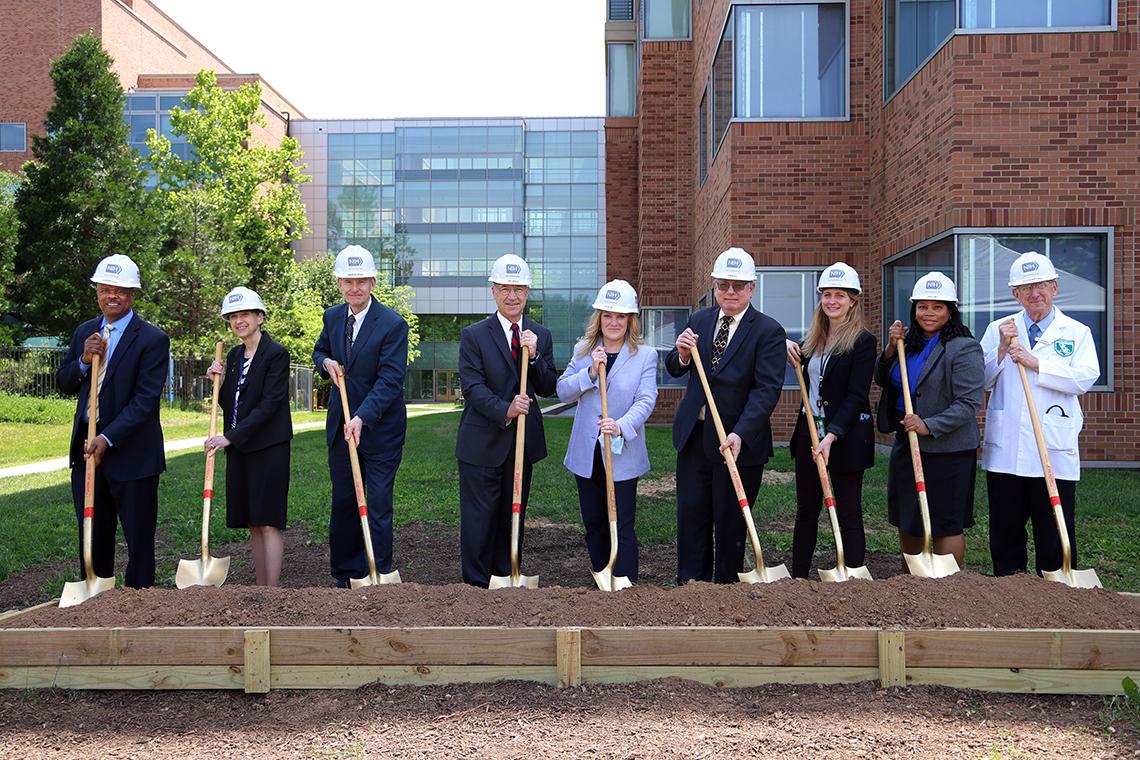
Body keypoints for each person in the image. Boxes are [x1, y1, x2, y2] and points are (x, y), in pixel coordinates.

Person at [665, 247, 787, 584]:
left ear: (751, 288)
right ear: (715, 287)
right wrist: (683, 355)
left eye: (738, 285)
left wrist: (741, 433)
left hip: (736, 444)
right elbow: (676, 368)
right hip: (695, 437)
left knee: (730, 520)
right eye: (723, 285)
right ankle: (692, 586)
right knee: (692, 517)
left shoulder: (768, 331)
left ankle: (725, 591)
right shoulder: (699, 321)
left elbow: (766, 391)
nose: (729, 292)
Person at [979, 251, 1099, 576]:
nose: (1035, 294)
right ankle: (1010, 597)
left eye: (1042, 285)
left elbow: (1086, 377)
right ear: (1015, 294)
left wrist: (1038, 363)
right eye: (1026, 287)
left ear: (1055, 287)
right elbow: (981, 379)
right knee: (1005, 534)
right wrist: (1001, 350)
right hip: (1007, 453)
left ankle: (1059, 599)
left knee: (1055, 535)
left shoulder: (1076, 332)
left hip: (1054, 451)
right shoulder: (998, 330)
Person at [55, 254, 170, 589]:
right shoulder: (85, 332)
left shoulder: (151, 339)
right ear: (97, 292)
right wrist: (83, 361)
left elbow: (145, 403)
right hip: (87, 452)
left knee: (139, 541)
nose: (112, 296)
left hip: (133, 455)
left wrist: (107, 438)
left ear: (133, 295)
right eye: (105, 289)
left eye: (120, 290)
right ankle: (95, 603)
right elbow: (64, 382)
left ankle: (139, 608)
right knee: (93, 534)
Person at [455, 254, 558, 587]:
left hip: (521, 445)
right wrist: (506, 408)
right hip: (481, 443)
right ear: (493, 291)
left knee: (512, 515)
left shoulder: (539, 333)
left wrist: (537, 355)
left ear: (528, 292)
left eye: (519, 290)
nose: (512, 297)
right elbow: (472, 388)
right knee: (479, 519)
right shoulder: (474, 335)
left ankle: (505, 578)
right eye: (505, 289)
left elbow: (548, 386)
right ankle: (476, 585)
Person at [313, 245, 409, 587]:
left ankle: (378, 569)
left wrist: (363, 417)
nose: (355, 288)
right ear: (340, 283)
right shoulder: (332, 317)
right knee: (344, 499)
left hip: (381, 429)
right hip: (342, 426)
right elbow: (321, 350)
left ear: (372, 283)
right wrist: (325, 363)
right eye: (348, 281)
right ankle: (345, 573)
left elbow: (390, 380)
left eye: (362, 281)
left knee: (378, 501)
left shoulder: (392, 325)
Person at [875, 272, 984, 569]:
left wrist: (929, 425)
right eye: (923, 306)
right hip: (907, 443)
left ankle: (946, 588)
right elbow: (883, 379)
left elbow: (968, 403)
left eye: (937, 307)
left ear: (951, 310)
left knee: (946, 521)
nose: (929, 313)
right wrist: (889, 348)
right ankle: (914, 582)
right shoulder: (907, 343)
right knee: (909, 517)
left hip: (947, 449)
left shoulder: (964, 347)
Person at [557, 280, 657, 583]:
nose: (614, 322)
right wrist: (589, 373)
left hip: (622, 452)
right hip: (587, 454)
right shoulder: (583, 350)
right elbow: (562, 391)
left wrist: (621, 425)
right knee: (594, 523)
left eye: (621, 317)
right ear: (599, 317)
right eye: (608, 315)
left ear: (630, 320)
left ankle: (626, 585)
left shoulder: (644, 355)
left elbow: (646, 400)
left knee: (622, 523)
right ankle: (602, 580)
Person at [785, 263, 875, 579]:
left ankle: (851, 575)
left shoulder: (863, 341)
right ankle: (799, 577)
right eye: (826, 295)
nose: (832, 301)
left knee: (848, 510)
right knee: (806, 509)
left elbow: (856, 395)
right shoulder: (814, 340)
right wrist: (787, 347)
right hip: (809, 432)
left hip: (845, 436)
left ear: (853, 300)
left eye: (839, 295)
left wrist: (832, 435)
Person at [204, 287, 292, 587]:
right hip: (242, 447)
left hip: (269, 448)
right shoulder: (233, 355)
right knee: (253, 520)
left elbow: (269, 405)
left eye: (245, 315)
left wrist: (228, 438)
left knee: (268, 520)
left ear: (260, 317)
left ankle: (273, 590)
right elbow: (232, 404)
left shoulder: (277, 354)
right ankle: (260, 587)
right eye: (233, 316)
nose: (239, 321)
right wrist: (217, 382)